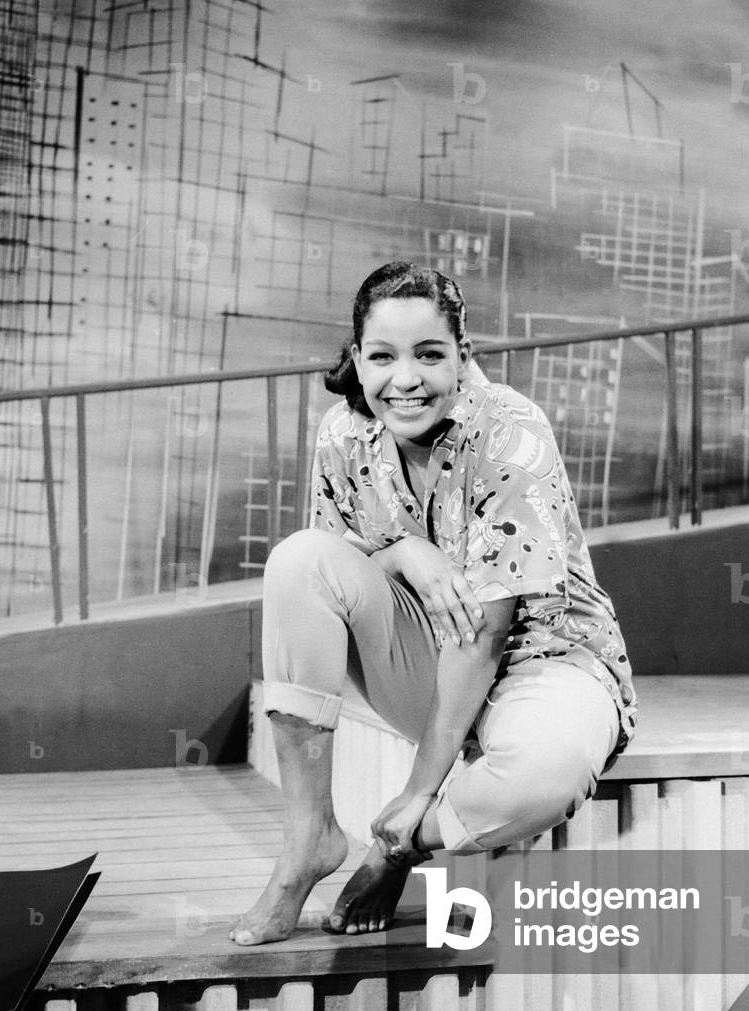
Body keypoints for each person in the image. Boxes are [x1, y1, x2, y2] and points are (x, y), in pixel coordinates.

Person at [229, 261, 636, 945]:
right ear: (358, 360)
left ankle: (401, 845)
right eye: (383, 357)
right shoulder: (342, 434)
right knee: (296, 561)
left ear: (462, 357)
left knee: (547, 772)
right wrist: (402, 554)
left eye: (429, 355)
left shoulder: (511, 432)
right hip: (425, 657)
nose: (406, 379)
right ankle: (309, 840)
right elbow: (337, 565)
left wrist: (418, 798)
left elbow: (484, 636)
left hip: (547, 662)